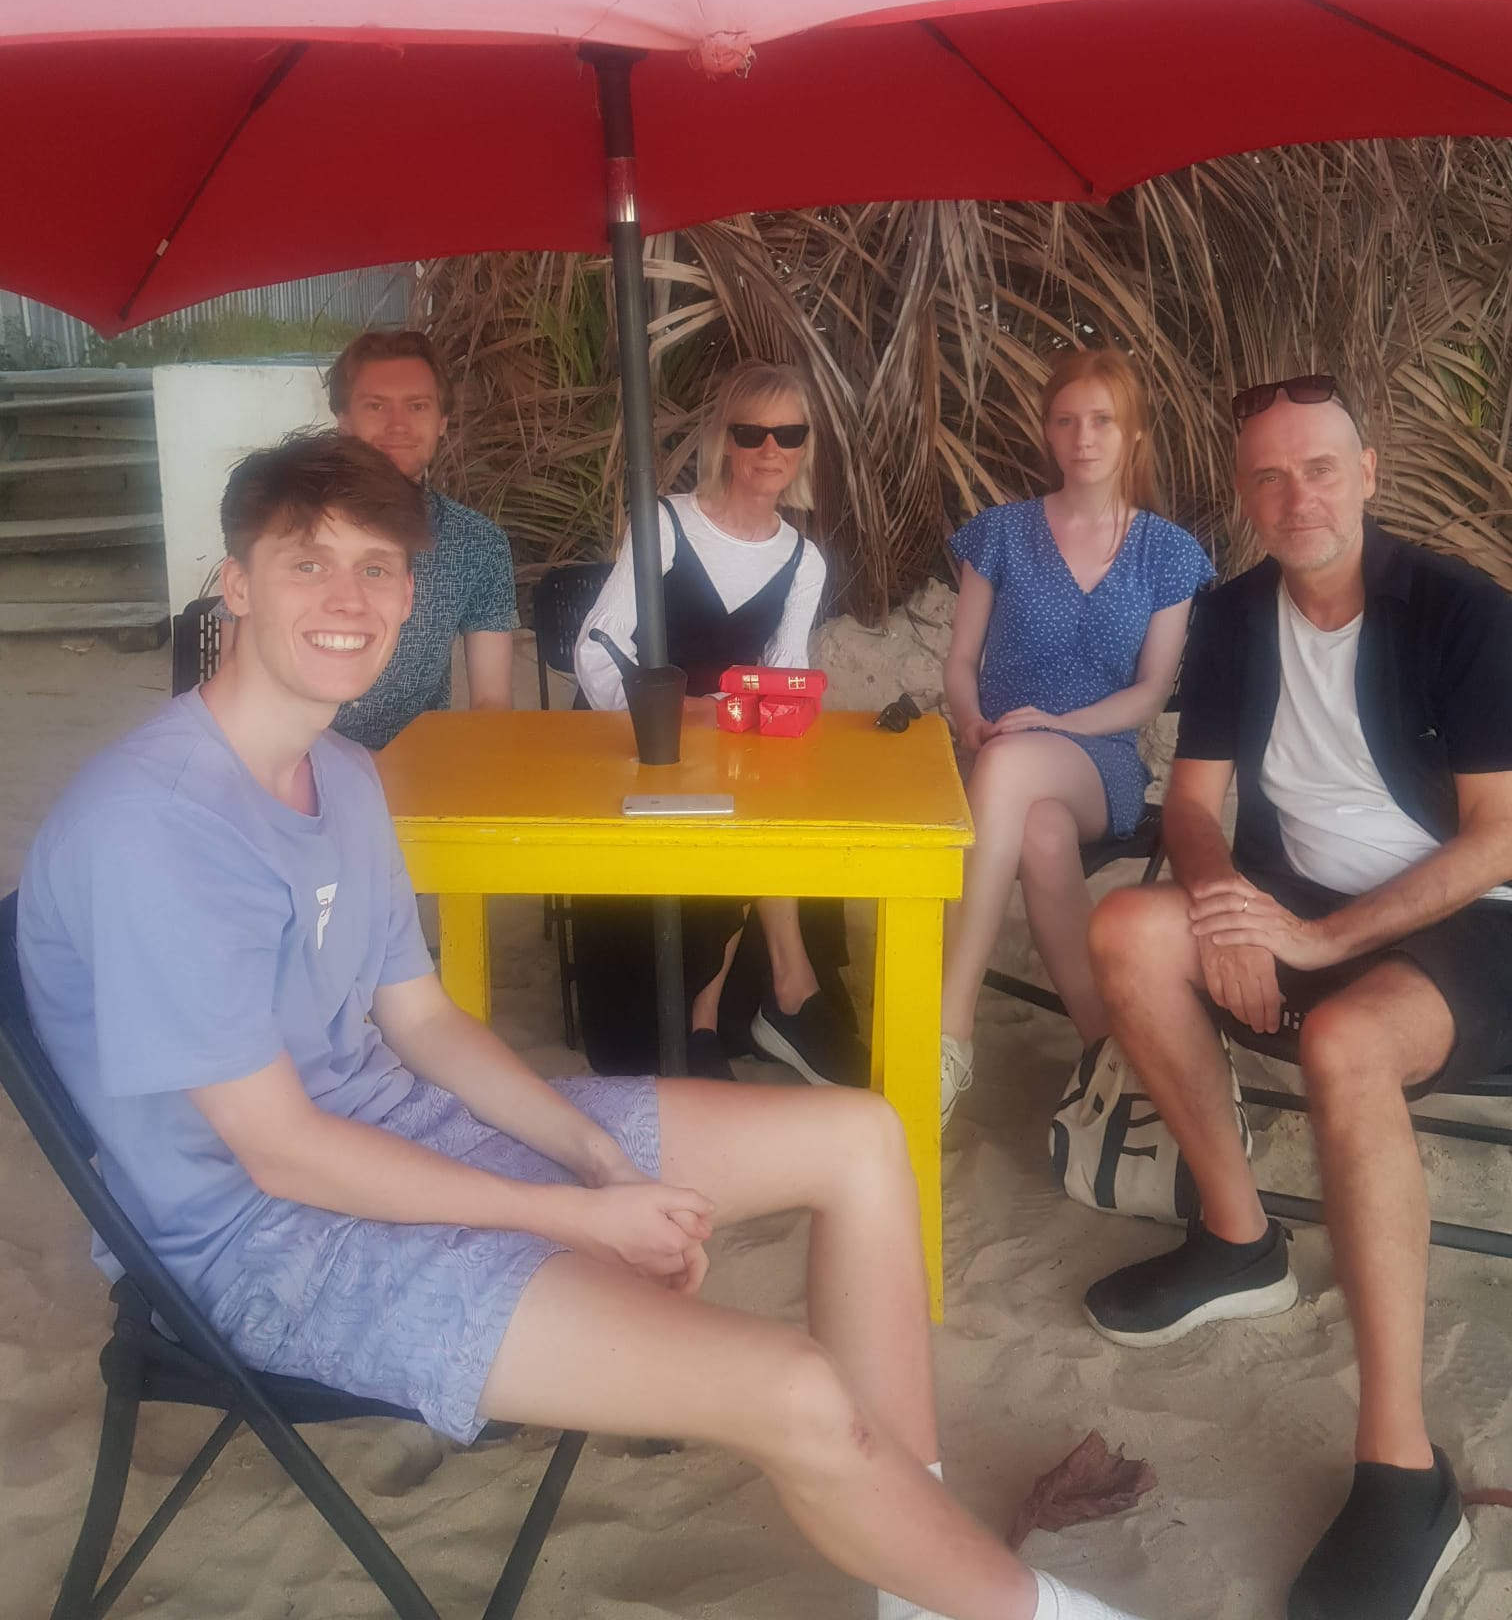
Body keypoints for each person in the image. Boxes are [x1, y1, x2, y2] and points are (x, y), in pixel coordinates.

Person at [19, 432, 1149, 1620]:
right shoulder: (155, 829)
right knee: (796, 1389)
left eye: (379, 568)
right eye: (307, 564)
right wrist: (570, 1213)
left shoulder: (343, 774)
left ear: (414, 589)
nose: (349, 599)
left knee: (861, 1137)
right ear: (236, 584)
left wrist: (593, 1153)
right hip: (262, 1246)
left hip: (403, 1130)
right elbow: (281, 1151)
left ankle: (921, 1579)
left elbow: (424, 1022)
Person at [1081, 375, 1512, 1620]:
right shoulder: (1229, 616)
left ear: (1369, 473)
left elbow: (1494, 842)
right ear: (1243, 495)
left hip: (1468, 925)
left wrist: (1319, 940)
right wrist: (1219, 905)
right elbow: (1197, 804)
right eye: (1268, 476)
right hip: (1292, 904)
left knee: (1342, 1042)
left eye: (1320, 467)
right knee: (1129, 929)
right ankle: (1238, 1239)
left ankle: (1401, 1470)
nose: (1296, 496)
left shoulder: (1463, 613)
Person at [573, 359, 866, 1089]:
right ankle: (764, 1007)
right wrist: (682, 714)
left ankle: (753, 1003)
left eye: (789, 434)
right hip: (647, 736)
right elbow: (599, 645)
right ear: (724, 440)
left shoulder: (803, 560)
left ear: (805, 447)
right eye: (752, 431)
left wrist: (762, 716)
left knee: (779, 802)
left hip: (732, 739)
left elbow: (786, 667)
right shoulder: (666, 523)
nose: (771, 449)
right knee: (747, 812)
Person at [938, 349, 1213, 1120]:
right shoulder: (1000, 534)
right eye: (1066, 420)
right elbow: (960, 663)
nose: (1083, 437)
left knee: (1017, 769)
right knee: (1042, 836)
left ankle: (948, 1029)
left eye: (1102, 420)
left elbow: (1151, 692)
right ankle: (1108, 1049)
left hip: (1100, 759)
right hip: (997, 752)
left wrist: (1055, 725)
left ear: (1132, 434)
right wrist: (971, 721)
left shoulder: (1166, 552)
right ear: (1047, 432)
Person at [327, 327, 518, 749]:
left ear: (442, 422)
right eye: (376, 406)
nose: (397, 425)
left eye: (417, 406)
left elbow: (491, 701)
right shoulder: (289, 525)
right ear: (343, 422)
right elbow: (240, 673)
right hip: (292, 766)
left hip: (415, 769)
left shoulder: (478, 543)